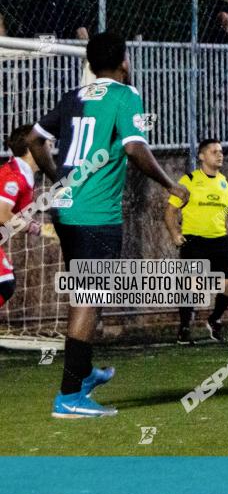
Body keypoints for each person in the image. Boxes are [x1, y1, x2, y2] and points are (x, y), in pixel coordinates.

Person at [26, 32, 189, 419]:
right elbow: (135, 148)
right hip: (95, 214)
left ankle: (82, 374)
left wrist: (58, 180)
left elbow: (34, 140)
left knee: (87, 294)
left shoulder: (75, 96)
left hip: (66, 210)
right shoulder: (125, 96)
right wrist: (170, 183)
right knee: (88, 298)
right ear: (125, 62)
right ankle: (69, 395)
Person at [164, 138, 228, 344]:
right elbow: (170, 212)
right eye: (213, 152)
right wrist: (175, 233)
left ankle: (214, 319)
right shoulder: (188, 181)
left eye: (221, 151)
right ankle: (184, 329)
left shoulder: (226, 183)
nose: (219, 155)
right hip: (194, 241)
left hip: (220, 242)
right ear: (202, 156)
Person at [0, 125, 50, 307]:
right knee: (4, 284)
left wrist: (35, 227)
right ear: (31, 148)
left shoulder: (23, 175)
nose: (50, 150)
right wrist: (30, 227)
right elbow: (2, 214)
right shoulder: (14, 176)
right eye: (48, 145)